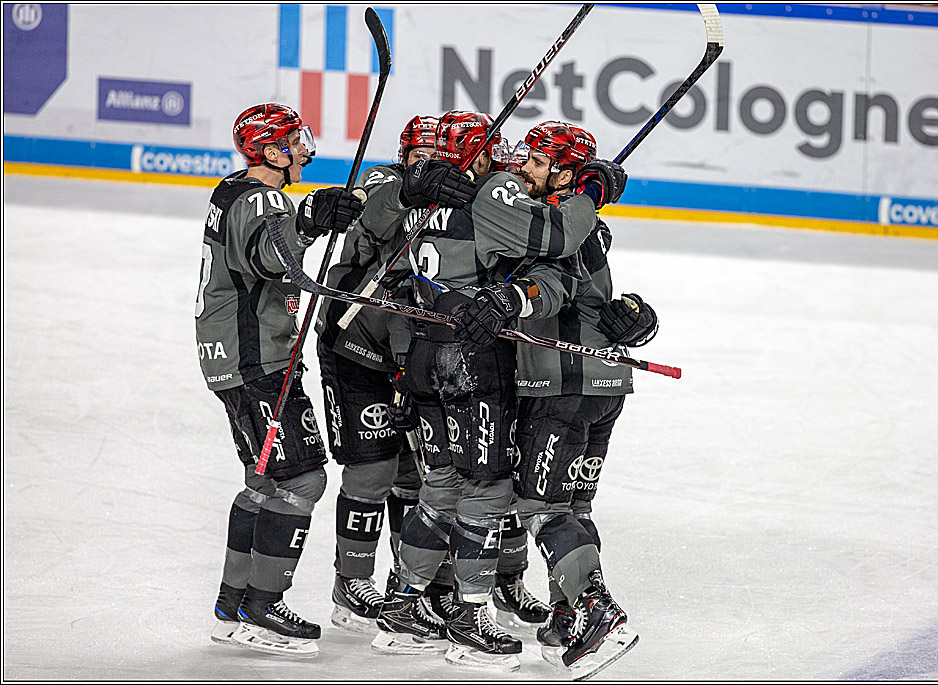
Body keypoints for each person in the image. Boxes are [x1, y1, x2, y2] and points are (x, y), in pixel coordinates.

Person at [365, 109, 627, 672]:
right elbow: (556, 241)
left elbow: (387, 250)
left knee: (442, 486)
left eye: (529, 157)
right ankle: (468, 614)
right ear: (477, 157)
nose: (511, 162)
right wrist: (592, 192)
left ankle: (403, 603)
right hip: (474, 363)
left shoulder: (423, 201)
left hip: (424, 354)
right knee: (488, 489)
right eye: (504, 153)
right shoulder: (495, 196)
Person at [197, 103, 364, 658]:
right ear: (271, 151)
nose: (305, 148)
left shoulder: (231, 190)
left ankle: (231, 604)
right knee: (303, 480)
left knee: (264, 480)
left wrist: (306, 221)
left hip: (235, 358)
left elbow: (265, 249)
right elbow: (271, 261)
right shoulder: (264, 198)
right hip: (258, 364)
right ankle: (264, 606)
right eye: (296, 140)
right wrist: (311, 221)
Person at [508, 121, 658, 678]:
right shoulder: (581, 220)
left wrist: (512, 298)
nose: (524, 167)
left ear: (565, 172)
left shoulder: (555, 224)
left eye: (537, 161)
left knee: (540, 506)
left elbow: (552, 287)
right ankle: (568, 615)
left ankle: (597, 611)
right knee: (574, 507)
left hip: (561, 382)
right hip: (603, 384)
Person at [315, 114, 475, 633]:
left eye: (437, 158)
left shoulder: (460, 198)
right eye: (417, 157)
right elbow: (375, 219)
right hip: (357, 346)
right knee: (373, 468)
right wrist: (411, 190)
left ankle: (411, 587)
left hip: (416, 354)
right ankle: (351, 579)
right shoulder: (384, 183)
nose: (426, 164)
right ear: (403, 155)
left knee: (420, 476)